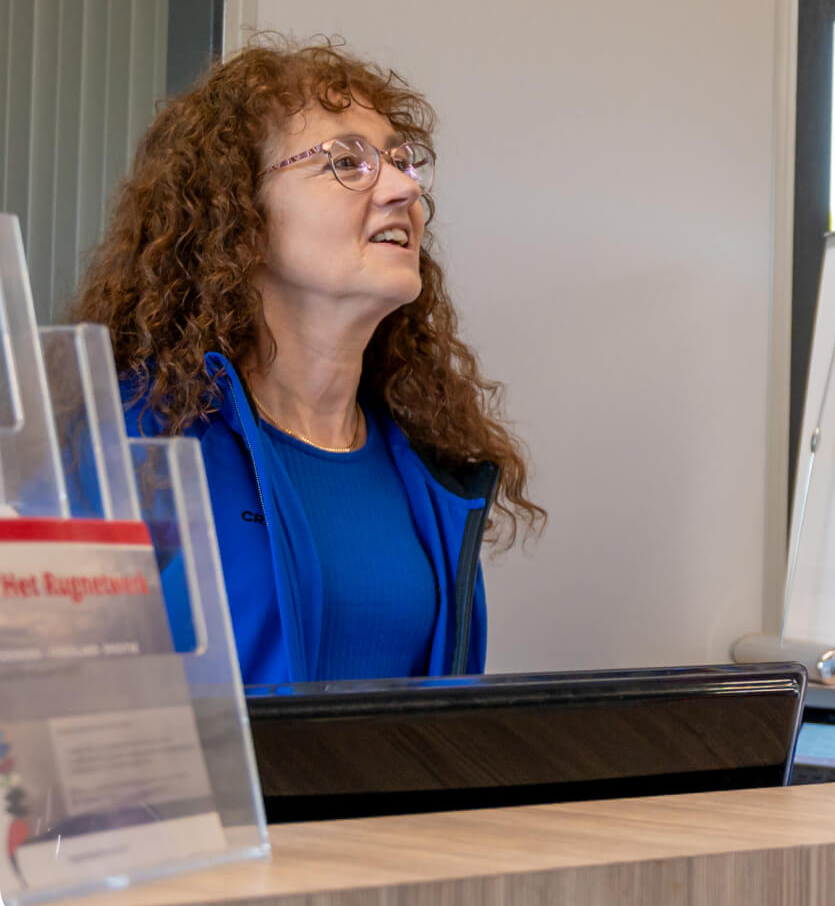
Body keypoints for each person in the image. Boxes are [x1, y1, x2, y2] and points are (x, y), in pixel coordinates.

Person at [74, 38, 544, 686]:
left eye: (402, 163)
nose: (403, 188)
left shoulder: (434, 467)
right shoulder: (122, 439)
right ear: (241, 217)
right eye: (347, 162)